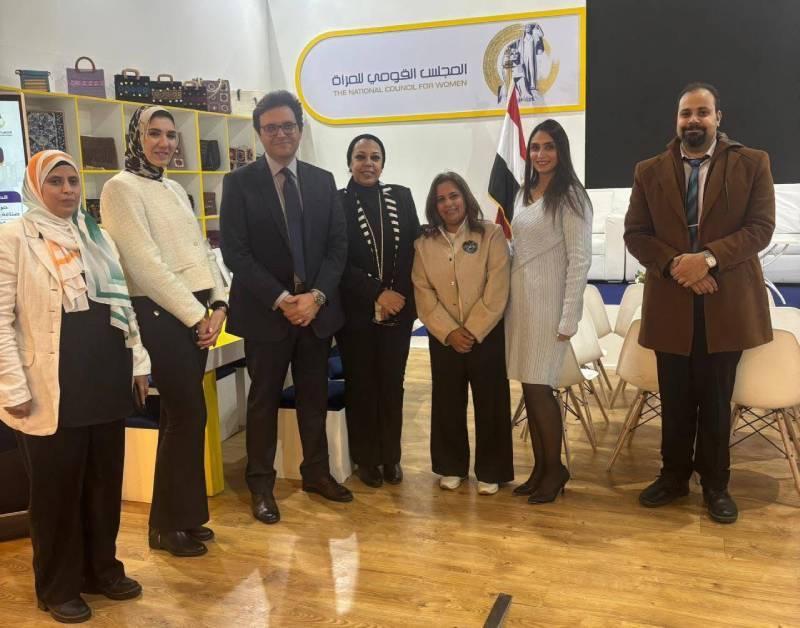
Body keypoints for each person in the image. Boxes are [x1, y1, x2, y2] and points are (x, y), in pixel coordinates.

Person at [0, 150, 150, 623]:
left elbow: (123, 308)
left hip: (105, 380)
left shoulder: (96, 236)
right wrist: (12, 387)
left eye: (72, 181)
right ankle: (58, 587)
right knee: (56, 494)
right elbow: (0, 322)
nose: (67, 190)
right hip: (51, 387)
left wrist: (138, 362)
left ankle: (101, 570)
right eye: (55, 182)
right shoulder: (13, 238)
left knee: (104, 486)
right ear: (35, 187)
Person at [624, 82, 775, 523]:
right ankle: (672, 477)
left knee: (715, 400)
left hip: (725, 303)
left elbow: (760, 228)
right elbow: (636, 234)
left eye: (702, 112)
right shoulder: (649, 171)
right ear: (677, 120)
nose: (693, 120)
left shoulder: (752, 163)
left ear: (717, 118)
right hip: (670, 301)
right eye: (686, 113)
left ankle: (715, 485)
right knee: (674, 399)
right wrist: (679, 265)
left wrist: (707, 260)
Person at [220, 90, 352, 525]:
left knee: (313, 396)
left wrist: (316, 298)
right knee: (262, 402)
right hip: (266, 314)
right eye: (271, 127)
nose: (281, 134)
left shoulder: (322, 181)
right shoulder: (239, 183)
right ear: (259, 133)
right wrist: (282, 299)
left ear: (300, 129)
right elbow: (236, 253)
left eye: (288, 126)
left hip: (315, 313)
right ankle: (261, 485)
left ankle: (316, 473)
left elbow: (337, 248)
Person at [101, 106, 228, 557]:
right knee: (186, 415)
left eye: (171, 135)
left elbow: (202, 249)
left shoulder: (172, 187)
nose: (165, 143)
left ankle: (182, 517)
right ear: (136, 137)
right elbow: (145, 266)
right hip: (161, 314)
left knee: (184, 418)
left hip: (193, 312)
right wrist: (197, 316)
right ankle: (166, 525)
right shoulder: (120, 188)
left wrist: (219, 303)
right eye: (154, 133)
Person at [505, 119, 592, 505]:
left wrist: (569, 317)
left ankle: (555, 469)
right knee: (529, 385)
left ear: (561, 151)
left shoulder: (571, 196)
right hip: (521, 304)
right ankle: (541, 468)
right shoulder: (522, 194)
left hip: (550, 307)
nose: (541, 154)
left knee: (541, 388)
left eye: (549, 147)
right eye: (536, 147)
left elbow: (580, 260)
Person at [412, 172, 513, 495]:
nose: (448, 203)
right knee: (447, 401)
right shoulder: (423, 244)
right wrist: (449, 332)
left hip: (486, 335)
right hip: (444, 338)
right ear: (434, 206)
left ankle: (492, 470)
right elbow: (423, 292)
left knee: (491, 402)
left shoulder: (491, 234)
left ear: (465, 197)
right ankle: (450, 465)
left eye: (453, 195)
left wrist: (471, 330)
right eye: (440, 199)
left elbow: (498, 288)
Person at [336, 134, 420, 488]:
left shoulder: (401, 196)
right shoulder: (337, 202)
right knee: (361, 386)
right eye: (360, 157)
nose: (368, 163)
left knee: (392, 385)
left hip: (397, 312)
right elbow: (336, 259)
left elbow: (413, 250)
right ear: (350, 163)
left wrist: (396, 295)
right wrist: (377, 292)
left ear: (383, 163)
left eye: (375, 157)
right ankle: (366, 459)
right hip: (355, 313)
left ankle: (391, 457)